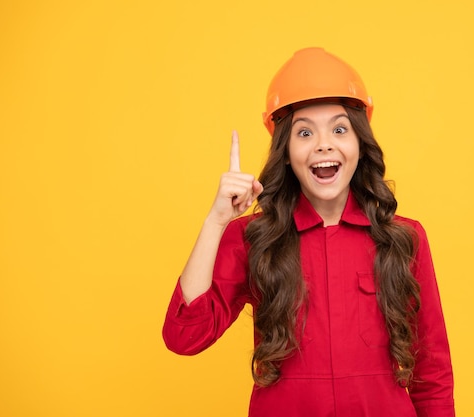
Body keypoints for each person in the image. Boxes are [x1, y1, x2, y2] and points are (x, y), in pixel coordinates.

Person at [163, 47, 455, 417]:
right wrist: (215, 222)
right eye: (304, 132)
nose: (323, 144)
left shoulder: (404, 238)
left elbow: (433, 372)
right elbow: (184, 336)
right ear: (285, 152)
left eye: (339, 129)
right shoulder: (254, 238)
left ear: (359, 145)